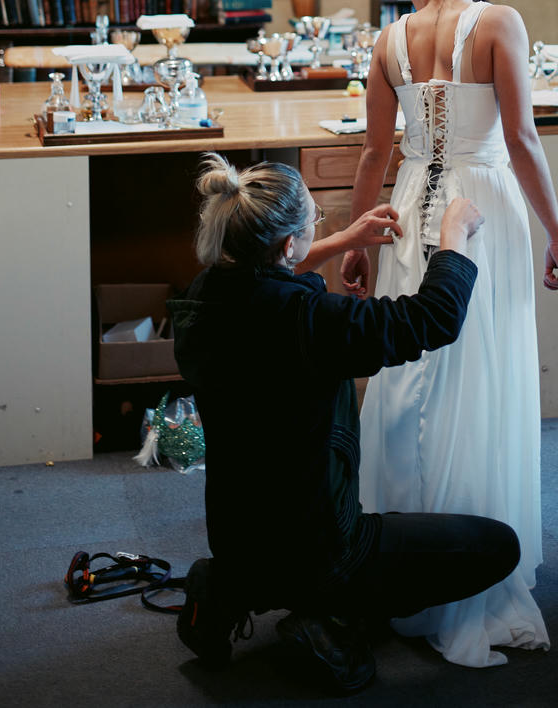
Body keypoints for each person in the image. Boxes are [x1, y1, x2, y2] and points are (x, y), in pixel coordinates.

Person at [168, 153, 521, 694]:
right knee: (498, 546)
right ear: (288, 245)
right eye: (313, 225)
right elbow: (430, 319)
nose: (319, 229)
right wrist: (454, 236)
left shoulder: (201, 302)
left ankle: (223, 590)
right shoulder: (311, 324)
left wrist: (339, 241)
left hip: (237, 538)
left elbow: (263, 283)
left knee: (255, 553)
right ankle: (326, 617)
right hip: (324, 549)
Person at [340, 0, 558, 668]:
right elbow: (523, 136)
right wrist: (557, 232)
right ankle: (473, 555)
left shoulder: (389, 36)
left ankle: (396, 557)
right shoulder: (500, 23)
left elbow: (374, 152)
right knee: (481, 370)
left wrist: (356, 238)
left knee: (408, 373)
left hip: (407, 208)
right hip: (484, 208)